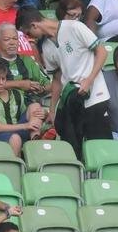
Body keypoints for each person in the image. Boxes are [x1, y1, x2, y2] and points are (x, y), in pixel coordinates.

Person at [38, 12, 111, 157]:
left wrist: (89, 80)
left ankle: (104, 178)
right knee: (74, 148)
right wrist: (52, 109)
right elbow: (57, 79)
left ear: (34, 25)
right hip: (72, 100)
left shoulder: (75, 27)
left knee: (100, 147)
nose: (29, 37)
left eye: (28, 31)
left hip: (96, 96)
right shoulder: (46, 46)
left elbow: (102, 52)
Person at [0, 57, 44, 155]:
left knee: (35, 106)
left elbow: (30, 113)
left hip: (18, 130)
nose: (1, 82)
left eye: (3, 79)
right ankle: (15, 167)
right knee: (15, 138)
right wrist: (25, 126)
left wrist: (44, 113)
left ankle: (36, 139)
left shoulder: (16, 94)